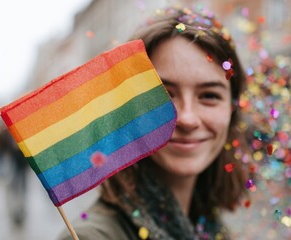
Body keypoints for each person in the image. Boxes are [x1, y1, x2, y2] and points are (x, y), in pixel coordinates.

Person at [58, 6, 249, 240]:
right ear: (127, 110)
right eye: (162, 95)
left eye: (209, 96)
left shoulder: (210, 227)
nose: (187, 118)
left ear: (231, 111)